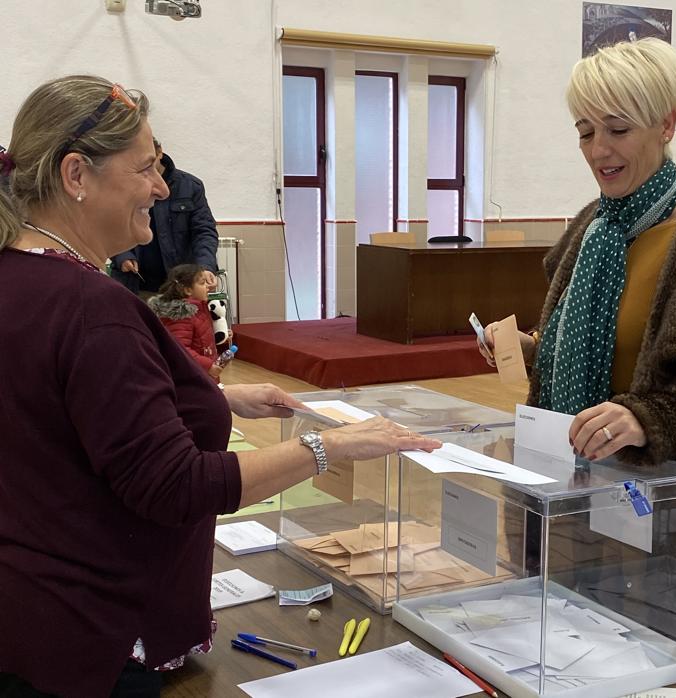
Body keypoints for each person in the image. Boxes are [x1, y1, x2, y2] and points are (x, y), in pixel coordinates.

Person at [0, 75, 440, 697]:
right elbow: (175, 486)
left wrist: (218, 397)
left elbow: (54, 409)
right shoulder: (89, 304)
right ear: (77, 176)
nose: (160, 187)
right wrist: (330, 449)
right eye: (147, 168)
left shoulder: (19, 277)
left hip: (28, 621)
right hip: (95, 638)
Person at [481, 39, 676, 672]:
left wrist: (647, 419)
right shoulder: (593, 230)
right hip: (573, 501)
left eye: (618, 129)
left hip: (660, 526)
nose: (599, 150)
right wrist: (530, 351)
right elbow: (610, 352)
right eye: (585, 131)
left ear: (667, 125)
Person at [111, 138, 220, 296]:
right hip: (135, 284)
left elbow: (204, 231)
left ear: (159, 152)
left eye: (148, 161)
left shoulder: (190, 186)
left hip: (181, 286)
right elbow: (112, 224)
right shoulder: (122, 186)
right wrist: (122, 255)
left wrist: (205, 266)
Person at [149, 263, 224, 381]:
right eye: (202, 283)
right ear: (188, 290)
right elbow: (180, 349)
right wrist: (207, 366)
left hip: (203, 373)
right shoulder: (181, 316)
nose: (207, 286)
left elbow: (201, 337)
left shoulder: (200, 308)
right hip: (192, 377)